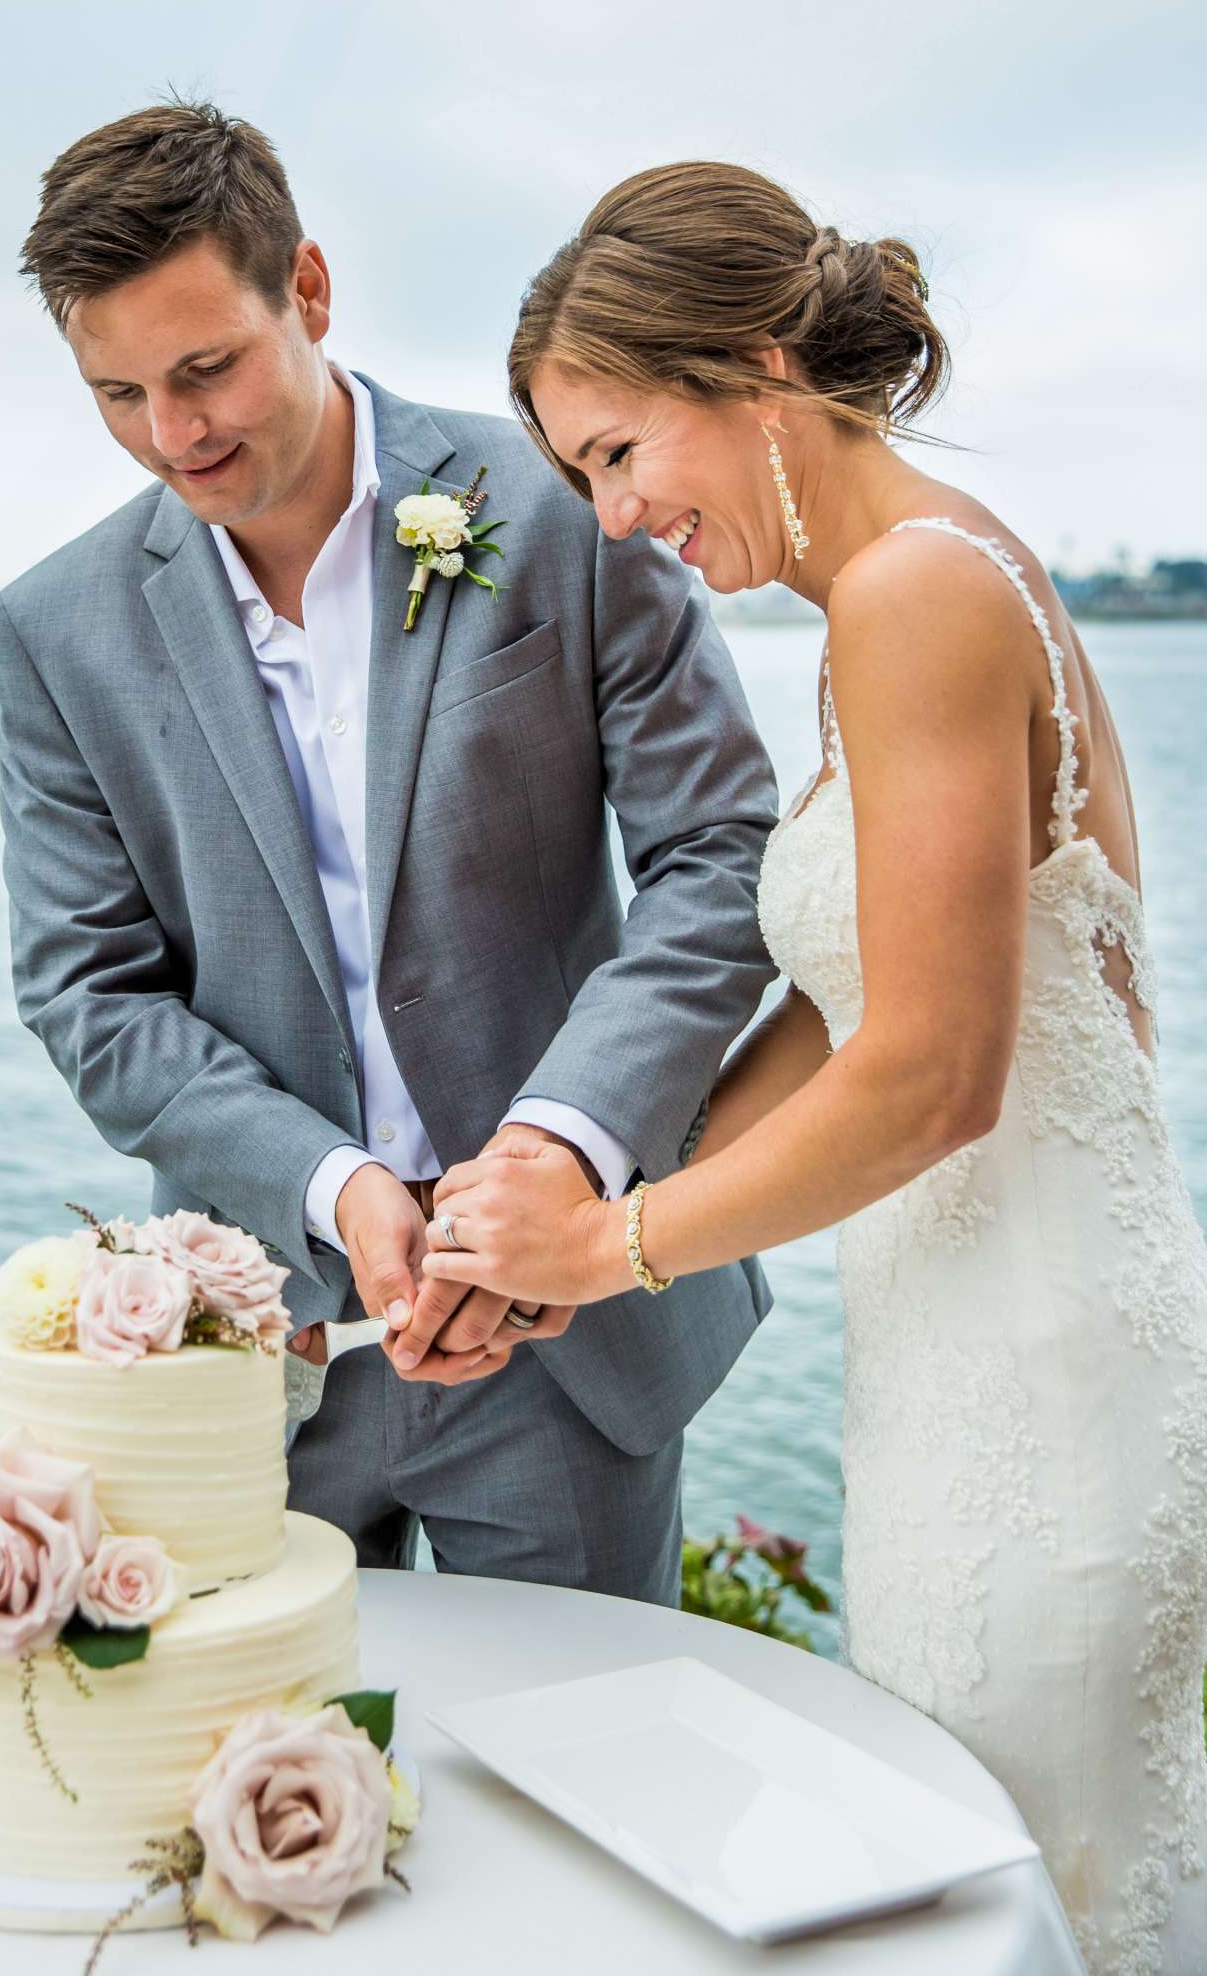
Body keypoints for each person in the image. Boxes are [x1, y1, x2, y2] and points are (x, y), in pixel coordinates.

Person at [411, 159, 1207, 1972]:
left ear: (755, 367)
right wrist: (584, 1187)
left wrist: (611, 1258)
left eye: (617, 455)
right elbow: (851, 1019)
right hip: (983, 1356)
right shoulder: (911, 585)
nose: (612, 522)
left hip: (1042, 1386)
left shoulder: (915, 594)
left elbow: (935, 1075)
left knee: (1023, 1892)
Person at [0, 101, 779, 1603]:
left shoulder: (561, 504)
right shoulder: (55, 632)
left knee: (590, 1778)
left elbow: (720, 858)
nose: (176, 435)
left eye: (207, 367)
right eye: (119, 395)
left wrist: (561, 1147)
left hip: (565, 1338)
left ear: (312, 291)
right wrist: (334, 1185)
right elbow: (91, 994)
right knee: (272, 1799)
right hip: (266, 1357)